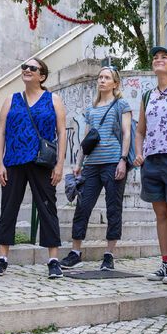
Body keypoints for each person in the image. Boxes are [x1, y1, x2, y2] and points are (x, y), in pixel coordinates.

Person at [0, 58, 67, 279]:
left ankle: (53, 259)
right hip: (13, 161)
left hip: (42, 162)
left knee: (47, 208)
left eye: (32, 68)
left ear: (42, 76)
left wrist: (60, 164)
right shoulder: (11, 100)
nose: (27, 70)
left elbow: (62, 132)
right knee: (8, 208)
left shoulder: (53, 99)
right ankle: (2, 258)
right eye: (24, 67)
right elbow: (1, 131)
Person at [61, 66, 132, 271]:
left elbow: (126, 134)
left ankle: (109, 255)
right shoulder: (91, 110)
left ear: (115, 83)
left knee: (113, 208)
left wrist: (123, 159)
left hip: (113, 163)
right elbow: (86, 139)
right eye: (100, 77)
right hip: (91, 165)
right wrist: (78, 163)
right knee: (82, 207)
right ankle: (75, 253)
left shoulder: (121, 105)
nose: (102, 80)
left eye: (106, 77)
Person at [134, 46, 167, 284]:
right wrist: (138, 153)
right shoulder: (147, 95)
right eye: (155, 57)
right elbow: (140, 130)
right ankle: (165, 262)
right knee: (160, 213)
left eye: (164, 57)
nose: (158, 60)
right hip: (152, 160)